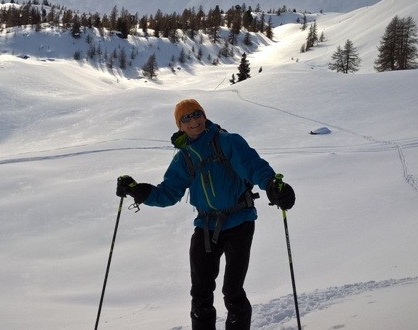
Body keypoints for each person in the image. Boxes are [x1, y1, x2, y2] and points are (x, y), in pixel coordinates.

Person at [116, 98, 296, 330]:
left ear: (204, 115)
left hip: (240, 223)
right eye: (186, 118)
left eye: (197, 114)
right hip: (205, 227)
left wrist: (272, 185)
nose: (193, 120)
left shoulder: (227, 141)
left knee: (233, 291)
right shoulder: (184, 158)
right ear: (180, 126)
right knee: (200, 294)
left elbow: (252, 165)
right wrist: (138, 191)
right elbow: (168, 193)